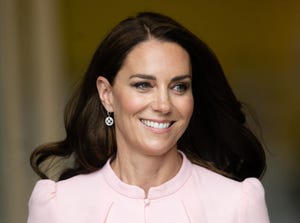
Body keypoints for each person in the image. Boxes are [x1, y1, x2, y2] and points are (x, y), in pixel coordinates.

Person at [28, 12, 270, 223]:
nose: (163, 105)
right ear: (107, 94)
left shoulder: (237, 203)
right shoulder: (58, 206)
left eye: (179, 87)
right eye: (144, 85)